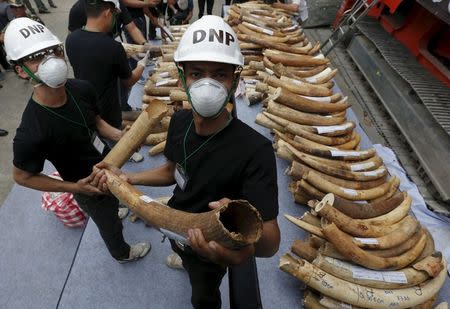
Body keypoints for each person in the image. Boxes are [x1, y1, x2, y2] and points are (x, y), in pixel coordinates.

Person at [95, 15, 280, 308]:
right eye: (196, 73)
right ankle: (183, 255)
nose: (207, 85)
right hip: (176, 223)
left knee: (203, 294)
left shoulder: (255, 149)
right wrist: (131, 178)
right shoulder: (180, 122)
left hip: (213, 247)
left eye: (220, 74)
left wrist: (224, 253)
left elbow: (270, 243)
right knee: (184, 252)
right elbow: (172, 171)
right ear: (182, 77)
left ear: (235, 79)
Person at [4, 17, 150, 262]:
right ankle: (122, 253)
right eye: (37, 56)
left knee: (114, 200)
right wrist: (75, 188)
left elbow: (95, 121)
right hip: (85, 185)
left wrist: (118, 135)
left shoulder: (81, 88)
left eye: (53, 50)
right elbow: (22, 176)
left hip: (107, 162)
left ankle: (115, 206)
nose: (51, 60)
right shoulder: (32, 132)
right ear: (20, 70)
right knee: (109, 224)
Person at [66, 0, 147, 162]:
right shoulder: (113, 47)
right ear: (107, 13)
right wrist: (141, 65)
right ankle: (121, 151)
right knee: (112, 133)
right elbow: (129, 81)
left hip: (85, 103)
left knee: (96, 133)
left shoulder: (71, 40)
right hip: (108, 108)